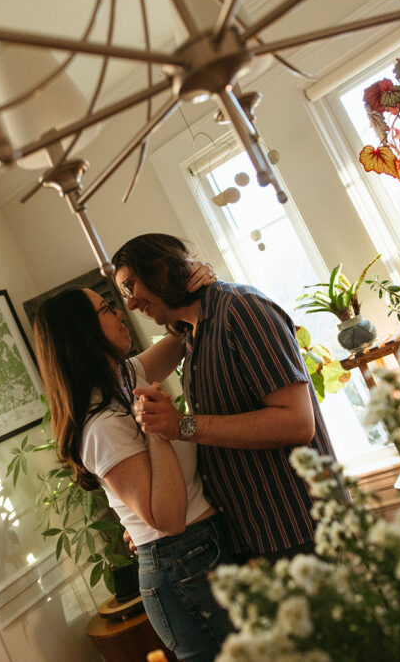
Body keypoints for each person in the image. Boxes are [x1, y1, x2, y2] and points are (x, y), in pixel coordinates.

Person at [31, 272, 234, 662]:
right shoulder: (102, 424)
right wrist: (158, 430)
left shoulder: (125, 377)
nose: (120, 313)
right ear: (84, 333)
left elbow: (181, 337)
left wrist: (203, 285)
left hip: (199, 550)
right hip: (182, 563)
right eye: (107, 309)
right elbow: (168, 518)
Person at [111, 233, 337, 563]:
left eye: (131, 286)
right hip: (257, 536)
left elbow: (298, 423)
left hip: (303, 528)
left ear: (160, 268)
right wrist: (146, 526)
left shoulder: (240, 310)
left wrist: (183, 425)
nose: (130, 304)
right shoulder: (192, 334)